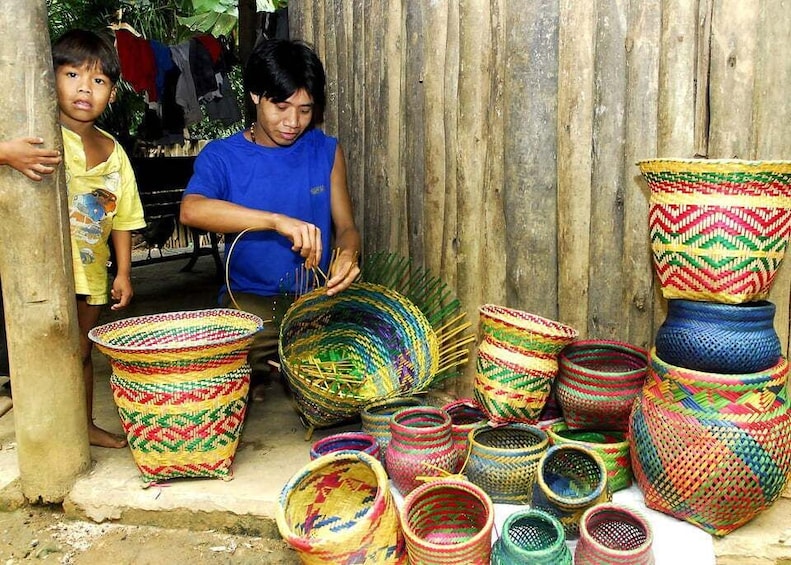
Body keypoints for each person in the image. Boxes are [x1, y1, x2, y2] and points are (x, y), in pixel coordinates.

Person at [180, 38, 361, 401]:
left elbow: (346, 227)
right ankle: (264, 370)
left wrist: (347, 256)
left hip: (316, 300)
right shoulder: (223, 157)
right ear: (254, 96)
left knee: (360, 372)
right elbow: (192, 209)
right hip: (252, 303)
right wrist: (275, 221)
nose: (293, 122)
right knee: (217, 372)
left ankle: (283, 370)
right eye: (281, 106)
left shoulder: (324, 151)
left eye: (305, 110)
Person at [52, 29, 146, 447]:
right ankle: (49, 430)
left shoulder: (114, 152)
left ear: (112, 92)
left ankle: (83, 424)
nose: (84, 88)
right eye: (72, 74)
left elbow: (124, 217)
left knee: (82, 353)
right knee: (46, 351)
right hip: (46, 267)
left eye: (99, 81)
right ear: (50, 77)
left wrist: (123, 272)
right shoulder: (39, 134)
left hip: (91, 272)